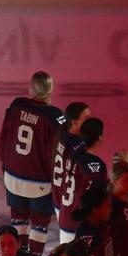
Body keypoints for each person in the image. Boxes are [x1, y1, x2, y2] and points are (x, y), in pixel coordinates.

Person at [0, 71, 66, 256]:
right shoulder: (54, 116)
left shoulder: (17, 105)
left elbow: (4, 137)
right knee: (39, 223)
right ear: (50, 89)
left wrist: (5, 165)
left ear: (31, 87)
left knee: (18, 218)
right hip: (39, 182)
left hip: (13, 175)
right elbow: (57, 153)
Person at [55, 117, 107, 245]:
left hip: (65, 218)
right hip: (80, 228)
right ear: (99, 138)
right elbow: (97, 200)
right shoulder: (95, 165)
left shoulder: (75, 154)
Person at [53, 102, 92, 242]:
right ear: (75, 122)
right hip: (68, 203)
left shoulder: (62, 134)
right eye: (86, 119)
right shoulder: (77, 146)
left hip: (58, 197)